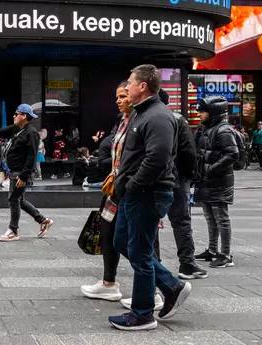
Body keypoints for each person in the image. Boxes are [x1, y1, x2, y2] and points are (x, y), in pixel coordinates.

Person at [108, 65, 191, 331]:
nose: (126, 87)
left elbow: (158, 158)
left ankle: (142, 314)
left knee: (141, 253)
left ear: (143, 86)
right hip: (134, 194)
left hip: (147, 193)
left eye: (130, 83)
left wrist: (133, 185)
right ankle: (171, 285)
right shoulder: (140, 113)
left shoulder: (158, 116)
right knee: (122, 242)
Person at [82, 82, 143, 304]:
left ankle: (158, 289)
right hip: (115, 189)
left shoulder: (142, 120)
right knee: (108, 235)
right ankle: (108, 283)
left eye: (123, 96)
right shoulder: (123, 121)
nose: (118, 101)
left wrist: (131, 182)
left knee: (138, 242)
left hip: (133, 190)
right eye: (117, 97)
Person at [0, 104, 53, 241]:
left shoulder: (31, 133)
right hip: (15, 171)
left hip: (21, 172)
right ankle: (43, 220)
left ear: (24, 116)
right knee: (19, 199)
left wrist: (24, 176)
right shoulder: (16, 128)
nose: (14, 116)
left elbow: (32, 157)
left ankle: (13, 231)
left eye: (16, 114)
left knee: (14, 199)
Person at [157, 90, 207, 280]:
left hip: (153, 179)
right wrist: (188, 175)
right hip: (177, 178)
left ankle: (155, 264)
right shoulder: (178, 119)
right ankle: (187, 264)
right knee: (182, 222)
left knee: (151, 224)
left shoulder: (143, 118)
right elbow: (188, 151)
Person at [194, 96, 238, 269]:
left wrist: (210, 169)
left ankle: (225, 255)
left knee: (221, 218)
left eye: (202, 111)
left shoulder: (223, 130)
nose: (199, 114)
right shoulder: (206, 128)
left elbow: (232, 154)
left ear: (213, 112)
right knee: (210, 217)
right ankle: (212, 250)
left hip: (219, 181)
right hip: (207, 180)